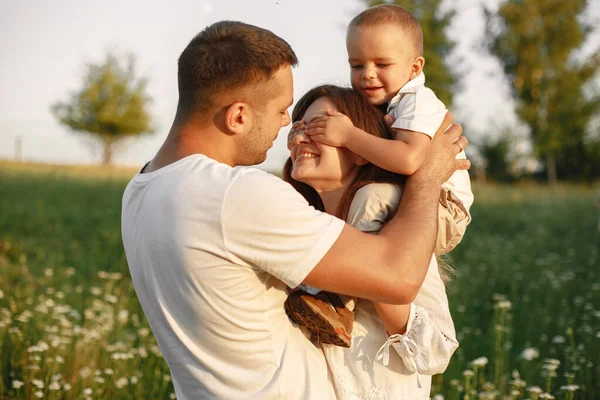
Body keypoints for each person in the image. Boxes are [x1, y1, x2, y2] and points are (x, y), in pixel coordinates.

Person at [121, 20, 469, 399]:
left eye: (316, 126)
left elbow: (429, 338)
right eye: (286, 112)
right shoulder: (236, 197)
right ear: (238, 115)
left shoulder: (140, 192)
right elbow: (397, 277)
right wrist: (428, 173)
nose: (290, 126)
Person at [285, 4, 474, 347]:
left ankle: (338, 296)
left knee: (372, 198)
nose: (367, 75)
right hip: (418, 196)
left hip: (444, 204)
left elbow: (408, 160)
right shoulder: (385, 105)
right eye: (357, 65)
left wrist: (348, 135)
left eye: (382, 64)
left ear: (415, 67)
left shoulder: (418, 102)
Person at [284, 84, 460, 399]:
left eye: (319, 128)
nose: (298, 139)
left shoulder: (381, 204)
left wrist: (375, 277)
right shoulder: (300, 224)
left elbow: (435, 350)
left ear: (361, 147)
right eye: (297, 129)